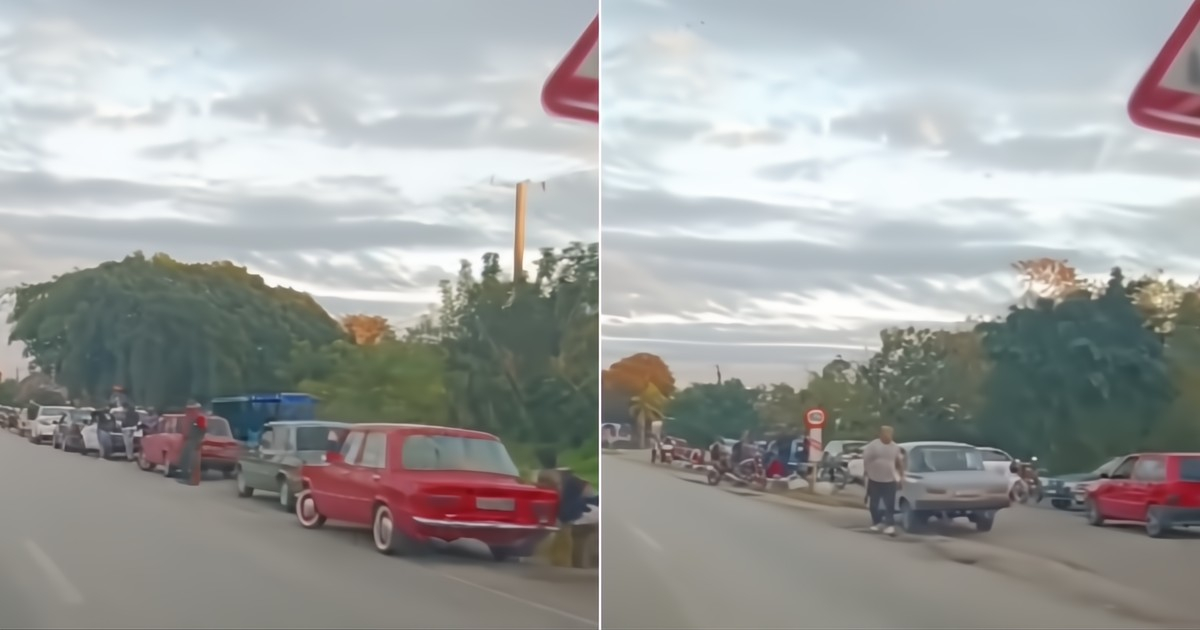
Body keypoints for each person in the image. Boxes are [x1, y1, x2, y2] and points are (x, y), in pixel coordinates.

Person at [862, 425, 905, 536]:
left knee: (889, 504)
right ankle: (877, 523)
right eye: (885, 433)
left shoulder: (895, 447)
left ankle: (889, 525)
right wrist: (866, 471)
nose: (888, 436)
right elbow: (866, 460)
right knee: (874, 504)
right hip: (874, 478)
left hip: (890, 479)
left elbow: (899, 462)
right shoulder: (873, 446)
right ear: (881, 434)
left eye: (890, 433)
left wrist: (901, 475)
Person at [177, 403, 207, 484]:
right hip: (190, 440)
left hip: (194, 440)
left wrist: (199, 440)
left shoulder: (199, 417)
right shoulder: (191, 418)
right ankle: (186, 478)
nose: (189, 411)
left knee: (193, 461)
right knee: (186, 459)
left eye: (191, 410)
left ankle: (193, 480)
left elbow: (203, 430)